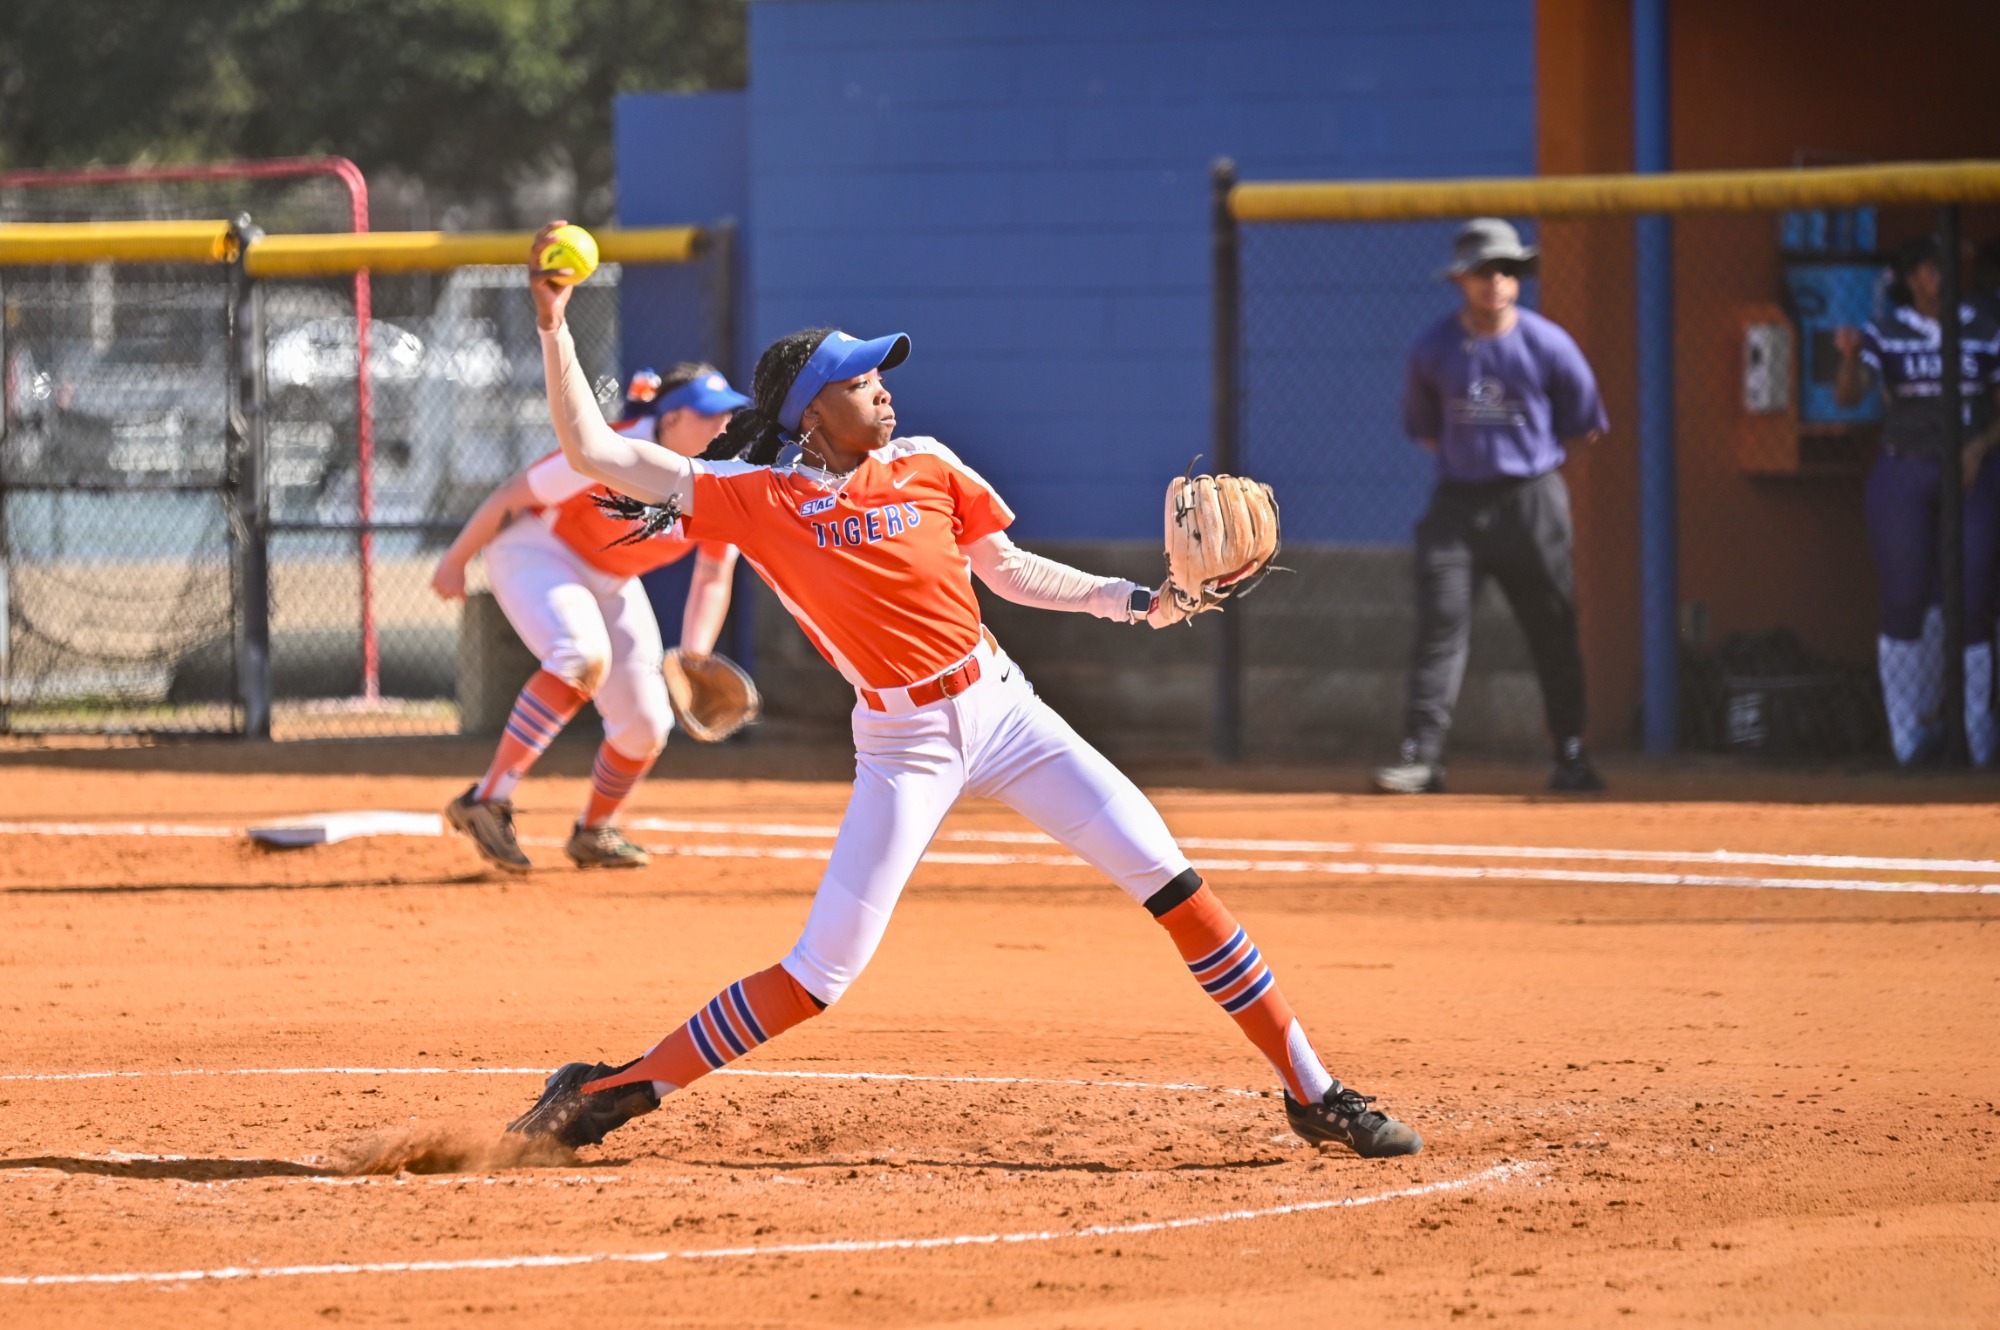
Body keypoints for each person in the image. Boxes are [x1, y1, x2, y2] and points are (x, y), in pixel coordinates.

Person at [503, 221, 1422, 1159]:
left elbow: (1011, 571)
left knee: (1174, 882)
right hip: (906, 746)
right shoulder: (757, 494)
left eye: (881, 376)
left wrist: (1140, 602)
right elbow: (589, 452)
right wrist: (553, 321)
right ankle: (608, 1091)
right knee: (821, 975)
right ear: (813, 412)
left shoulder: (931, 464)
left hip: (1006, 709)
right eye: (862, 382)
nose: (884, 390)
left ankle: (1314, 1089)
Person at [431, 362, 750, 871]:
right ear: (668, 419)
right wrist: (455, 560)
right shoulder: (611, 449)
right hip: (539, 549)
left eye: (728, 414)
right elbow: (514, 495)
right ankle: (486, 798)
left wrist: (694, 655)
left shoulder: (722, 478)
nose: (722, 425)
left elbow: (713, 573)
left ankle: (594, 831)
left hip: (612, 576)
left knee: (647, 724)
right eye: (707, 414)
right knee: (579, 654)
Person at [1373, 218, 1609, 795]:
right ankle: (1421, 757)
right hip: (1458, 505)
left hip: (1531, 499)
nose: (1495, 282)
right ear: (1460, 280)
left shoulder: (1548, 343)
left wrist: (1526, 459)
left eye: (1507, 270)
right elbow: (1425, 430)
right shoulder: (1433, 349)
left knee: (1552, 627)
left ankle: (1572, 754)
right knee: (1440, 628)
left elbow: (1585, 424)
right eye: (1482, 272)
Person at [1834, 235, 2000, 766]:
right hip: (1905, 463)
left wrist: (1981, 444)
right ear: (1911, 280)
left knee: (1971, 596)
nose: (1938, 279)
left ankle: (1975, 726)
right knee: (1905, 595)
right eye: (1928, 271)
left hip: (1970, 468)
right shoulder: (1889, 329)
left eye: (1946, 267)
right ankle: (1908, 733)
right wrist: (1848, 357)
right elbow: (1849, 395)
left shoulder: (1984, 324)